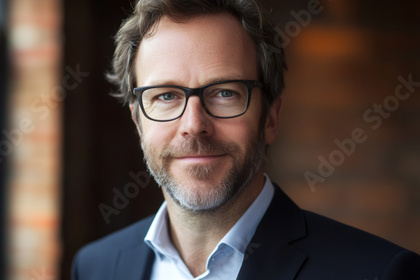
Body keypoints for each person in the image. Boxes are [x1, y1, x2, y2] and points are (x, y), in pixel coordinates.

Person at [71, 0, 420, 279]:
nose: (194, 125)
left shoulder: (379, 272)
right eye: (166, 96)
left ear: (270, 118)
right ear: (137, 121)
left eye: (224, 93)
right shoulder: (96, 267)